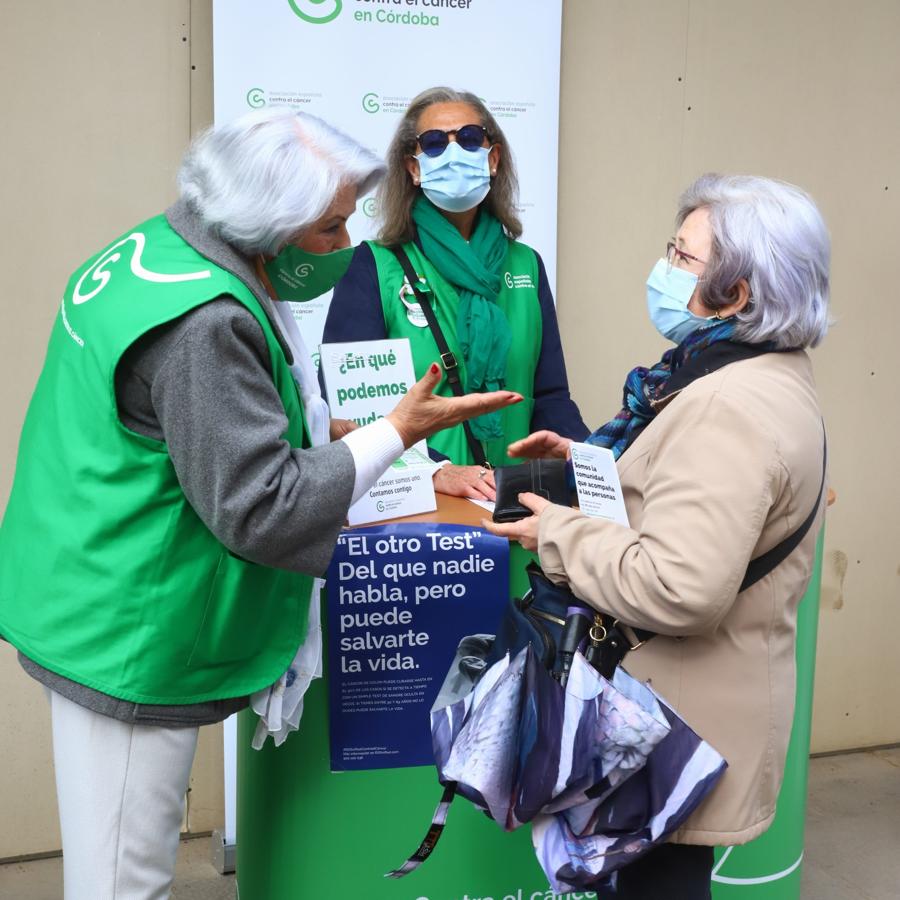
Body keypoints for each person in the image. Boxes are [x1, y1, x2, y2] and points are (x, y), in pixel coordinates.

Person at [0, 107, 521, 900]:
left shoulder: (160, 247)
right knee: (120, 882)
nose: (346, 245)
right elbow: (263, 506)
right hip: (126, 630)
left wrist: (402, 456)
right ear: (269, 230)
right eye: (330, 228)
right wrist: (398, 430)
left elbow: (228, 423)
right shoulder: (206, 324)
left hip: (81, 574)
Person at [487, 173, 830, 899]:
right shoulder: (757, 373)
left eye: (682, 256)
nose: (663, 267)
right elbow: (692, 503)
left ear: (736, 293)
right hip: (690, 713)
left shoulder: (726, 404)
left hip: (675, 730)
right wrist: (594, 467)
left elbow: (679, 587)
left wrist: (555, 531)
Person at [322, 86, 588, 501]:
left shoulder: (527, 266)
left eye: (468, 138)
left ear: (493, 158)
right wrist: (435, 471)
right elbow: (353, 410)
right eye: (433, 143)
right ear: (413, 167)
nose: (453, 152)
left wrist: (583, 461)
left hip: (516, 506)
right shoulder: (373, 265)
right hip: (419, 509)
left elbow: (551, 397)